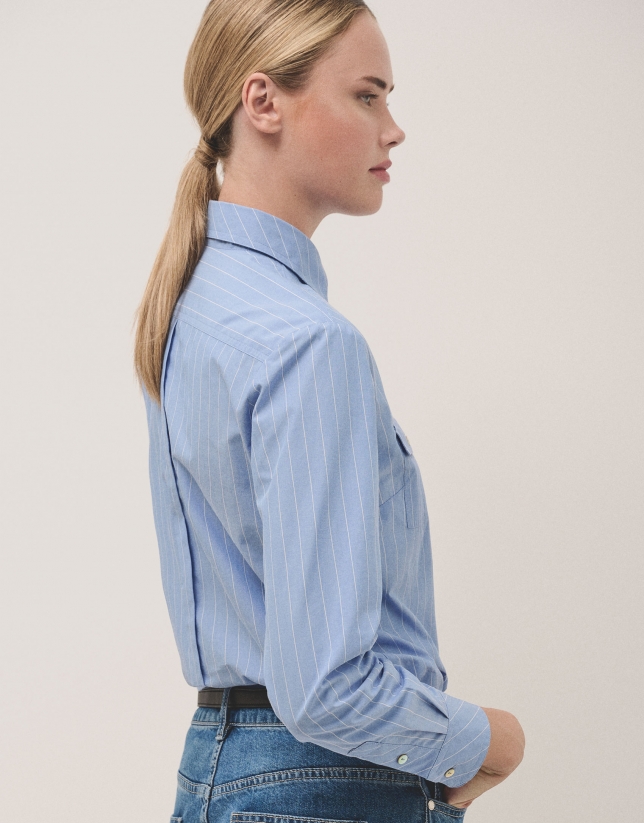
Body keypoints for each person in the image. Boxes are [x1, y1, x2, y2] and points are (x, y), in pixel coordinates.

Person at [134, 1, 525, 820]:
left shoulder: (188, 306)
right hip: (321, 784)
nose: (394, 129)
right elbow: (325, 688)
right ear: (263, 102)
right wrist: (488, 739)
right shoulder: (308, 342)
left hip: (219, 766)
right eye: (368, 96)